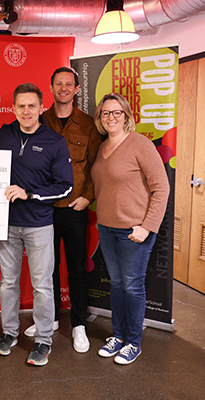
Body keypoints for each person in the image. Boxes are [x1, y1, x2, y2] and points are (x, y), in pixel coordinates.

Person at [0, 83, 73, 366]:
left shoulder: (54, 142)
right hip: (7, 224)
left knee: (41, 286)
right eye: (21, 106)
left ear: (42, 108)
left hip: (39, 224)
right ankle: (9, 333)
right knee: (8, 283)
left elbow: (65, 187)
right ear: (13, 108)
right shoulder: (4, 134)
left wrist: (31, 193)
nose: (26, 111)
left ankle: (43, 340)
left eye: (31, 106)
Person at [26, 67, 101, 353]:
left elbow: (97, 166)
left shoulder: (89, 124)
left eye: (69, 84)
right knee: (47, 269)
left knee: (77, 268)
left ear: (77, 89)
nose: (64, 88)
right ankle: (52, 318)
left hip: (74, 207)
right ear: (51, 88)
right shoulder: (39, 120)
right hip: (43, 208)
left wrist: (88, 197)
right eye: (59, 84)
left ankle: (79, 323)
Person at [91, 93, 169, 365]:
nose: (111, 117)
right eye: (105, 113)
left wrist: (147, 227)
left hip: (134, 231)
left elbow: (161, 187)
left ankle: (133, 342)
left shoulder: (140, 144)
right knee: (117, 285)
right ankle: (119, 336)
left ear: (126, 116)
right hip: (107, 229)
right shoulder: (102, 148)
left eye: (116, 112)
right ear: (100, 118)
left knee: (133, 287)